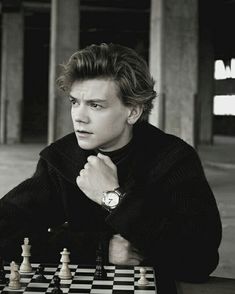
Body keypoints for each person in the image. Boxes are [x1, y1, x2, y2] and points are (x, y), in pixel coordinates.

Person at [0, 43, 221, 282]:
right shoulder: (62, 159)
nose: (79, 116)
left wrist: (112, 198)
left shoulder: (173, 159)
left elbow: (201, 258)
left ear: (133, 112)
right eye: (75, 102)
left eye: (96, 105)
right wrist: (101, 248)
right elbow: (6, 230)